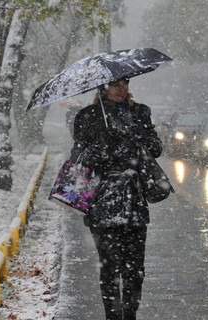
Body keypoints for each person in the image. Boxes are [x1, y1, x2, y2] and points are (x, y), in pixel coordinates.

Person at [70, 78, 163, 320]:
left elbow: (156, 148)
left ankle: (130, 314)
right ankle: (112, 316)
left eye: (125, 84)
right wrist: (103, 147)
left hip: (134, 201)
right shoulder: (88, 116)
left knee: (135, 270)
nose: (121, 90)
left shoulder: (139, 112)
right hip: (102, 201)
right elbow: (78, 159)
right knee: (110, 269)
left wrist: (139, 137)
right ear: (102, 88)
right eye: (115, 85)